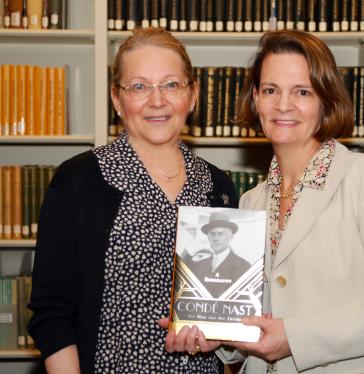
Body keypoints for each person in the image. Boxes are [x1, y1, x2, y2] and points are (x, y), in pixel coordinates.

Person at [161, 29, 364, 373]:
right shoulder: (252, 203)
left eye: (302, 92)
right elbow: (256, 324)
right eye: (270, 90)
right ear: (255, 99)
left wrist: (295, 337)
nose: (283, 105)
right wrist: (221, 338)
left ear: (325, 100)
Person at [28, 27, 237, 374]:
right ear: (117, 99)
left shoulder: (218, 186)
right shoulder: (79, 181)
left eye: (171, 84)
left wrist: (221, 337)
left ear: (193, 94)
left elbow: (228, 312)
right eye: (139, 86)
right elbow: (52, 312)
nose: (157, 100)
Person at [187, 211, 251, 298]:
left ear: (231, 237)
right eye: (212, 234)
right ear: (208, 237)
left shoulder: (244, 266)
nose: (215, 238)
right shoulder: (200, 264)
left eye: (220, 234)